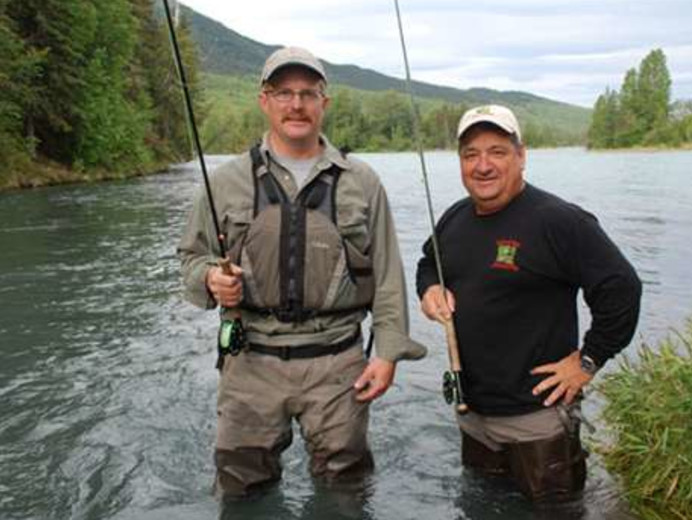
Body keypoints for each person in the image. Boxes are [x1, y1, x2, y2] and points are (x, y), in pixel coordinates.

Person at [178, 46, 426, 500]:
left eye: (308, 93)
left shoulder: (363, 182)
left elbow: (389, 276)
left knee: (345, 488)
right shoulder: (225, 182)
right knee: (241, 488)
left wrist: (388, 354)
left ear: (324, 103)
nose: (296, 105)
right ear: (264, 100)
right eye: (284, 93)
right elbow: (191, 258)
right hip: (249, 362)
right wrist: (211, 279)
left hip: (339, 363)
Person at [416, 104, 641, 501]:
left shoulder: (559, 220)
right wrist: (430, 288)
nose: (483, 165)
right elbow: (427, 263)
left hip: (539, 421)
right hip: (473, 417)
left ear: (521, 156)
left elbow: (622, 288)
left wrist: (588, 360)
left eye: (497, 151)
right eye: (471, 154)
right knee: (483, 506)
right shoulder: (454, 218)